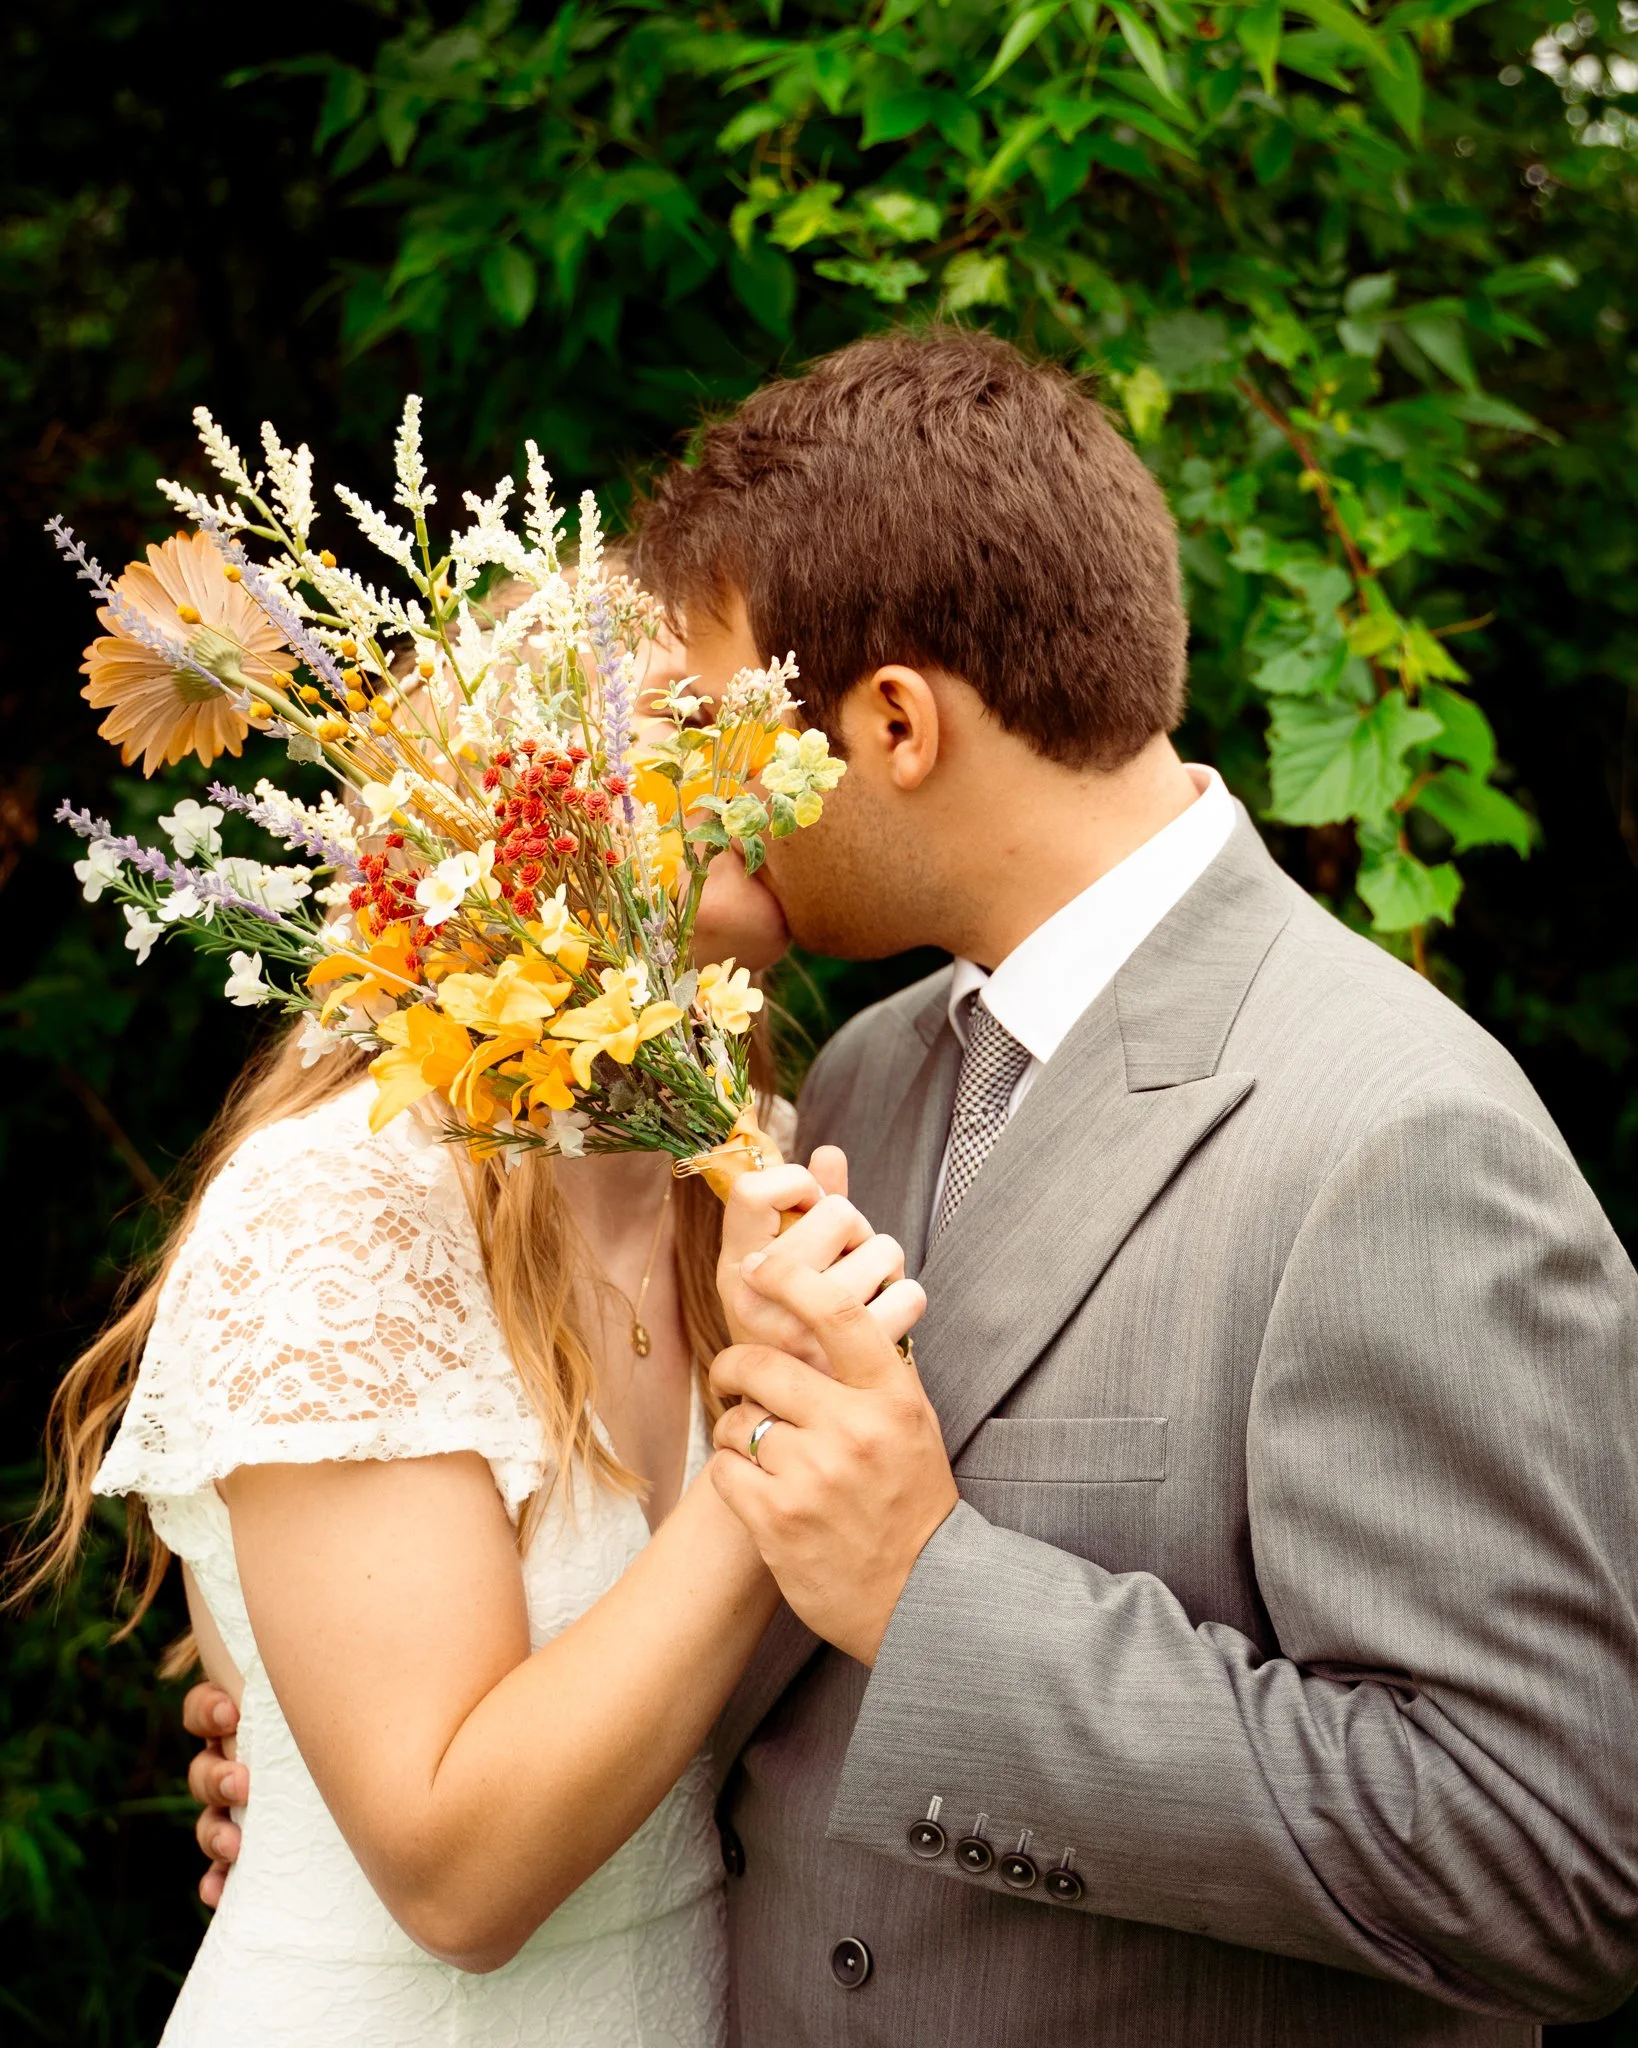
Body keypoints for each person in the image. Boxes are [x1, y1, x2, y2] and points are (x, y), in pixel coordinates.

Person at [190, 328, 1638, 2045]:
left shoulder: (1395, 1134)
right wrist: (297, 1731)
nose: (705, 795)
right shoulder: (859, 1084)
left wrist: (933, 1594)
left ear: (889, 723)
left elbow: (1550, 1860)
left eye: (720, 729)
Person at [16, 618, 920, 2046]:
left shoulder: (767, 1173)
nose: (775, 762)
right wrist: (782, 1422)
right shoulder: (339, 1210)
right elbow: (456, 1880)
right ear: (518, 808)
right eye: (695, 733)